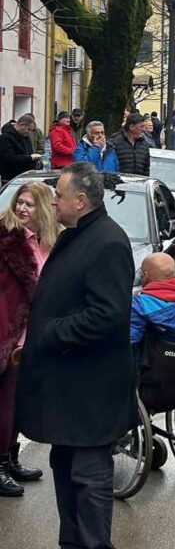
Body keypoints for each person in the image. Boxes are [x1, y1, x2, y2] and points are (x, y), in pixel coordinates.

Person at [15, 163, 136, 548]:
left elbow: (107, 314)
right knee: (65, 468)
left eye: (60, 196)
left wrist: (49, 333)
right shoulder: (80, 234)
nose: (54, 201)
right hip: (71, 389)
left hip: (91, 392)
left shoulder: (108, 241)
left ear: (80, 201)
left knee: (88, 475)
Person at [0, 182, 60, 497]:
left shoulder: (49, 241)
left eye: (30, 204)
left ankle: (11, 457)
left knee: (19, 402)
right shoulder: (8, 238)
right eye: (19, 202)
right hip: (7, 332)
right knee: (5, 402)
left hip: (33, 334)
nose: (22, 209)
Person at [0, 114, 42, 182]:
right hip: (11, 179)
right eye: (29, 129)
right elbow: (8, 158)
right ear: (22, 125)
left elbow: (29, 153)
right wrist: (30, 157)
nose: (29, 132)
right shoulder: (5, 137)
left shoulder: (25, 137)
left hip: (25, 176)